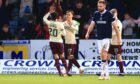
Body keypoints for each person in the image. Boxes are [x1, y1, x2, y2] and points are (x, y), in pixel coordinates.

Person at [85, 0, 121, 80]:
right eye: (98, 6)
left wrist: (119, 38)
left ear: (104, 6)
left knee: (104, 53)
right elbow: (92, 24)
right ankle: (106, 74)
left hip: (106, 37)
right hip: (99, 37)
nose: (99, 7)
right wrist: (88, 33)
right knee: (102, 56)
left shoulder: (108, 14)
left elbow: (115, 27)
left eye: (100, 6)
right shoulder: (96, 14)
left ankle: (103, 74)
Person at [43, 6, 70, 77]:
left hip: (52, 41)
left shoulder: (49, 23)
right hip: (59, 42)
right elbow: (64, 34)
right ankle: (67, 71)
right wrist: (61, 33)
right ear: (57, 18)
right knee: (62, 56)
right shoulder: (60, 24)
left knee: (56, 57)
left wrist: (49, 12)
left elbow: (44, 18)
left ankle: (60, 72)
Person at [63, 10, 84, 76]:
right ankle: (80, 68)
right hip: (66, 41)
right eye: (67, 14)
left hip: (72, 42)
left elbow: (76, 30)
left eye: (69, 14)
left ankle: (67, 72)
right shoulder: (63, 23)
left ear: (72, 15)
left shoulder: (75, 22)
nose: (67, 16)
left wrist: (70, 25)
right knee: (70, 57)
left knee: (70, 57)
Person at [108, 8, 124, 76]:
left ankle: (122, 72)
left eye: (113, 14)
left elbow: (117, 32)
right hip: (111, 42)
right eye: (111, 14)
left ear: (116, 13)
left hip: (117, 42)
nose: (112, 15)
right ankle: (103, 71)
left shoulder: (118, 22)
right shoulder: (111, 22)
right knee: (107, 57)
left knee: (118, 56)